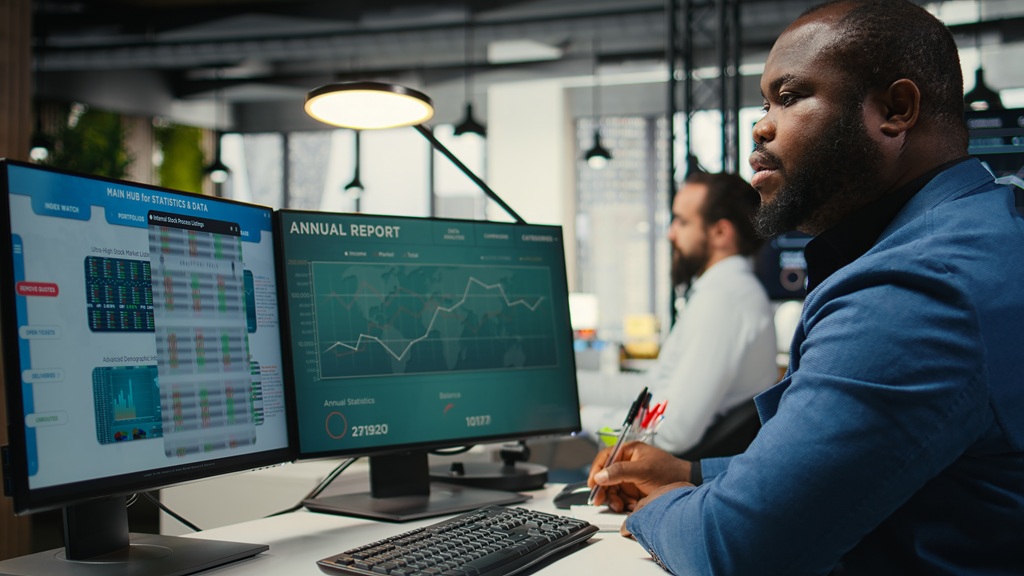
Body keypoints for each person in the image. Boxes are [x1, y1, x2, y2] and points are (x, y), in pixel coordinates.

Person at [587, 1, 1024, 574]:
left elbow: (737, 548)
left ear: (896, 110)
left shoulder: (915, 288)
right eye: (766, 102)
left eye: (789, 98)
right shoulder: (987, 229)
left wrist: (659, 507)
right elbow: (868, 454)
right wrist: (694, 474)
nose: (761, 124)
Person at [577, 171, 777, 456]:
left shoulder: (724, 299)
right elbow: (652, 389)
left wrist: (581, 417)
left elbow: (672, 434)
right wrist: (570, 389)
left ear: (720, 232)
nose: (671, 233)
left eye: (682, 221)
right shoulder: (724, 291)